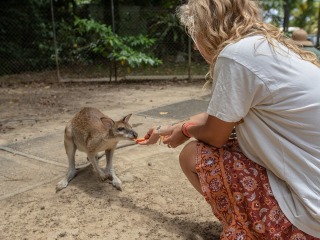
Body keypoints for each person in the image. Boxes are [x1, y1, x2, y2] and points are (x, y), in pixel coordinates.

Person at [138, 0, 320, 239]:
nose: (195, 46)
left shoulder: (235, 56)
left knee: (193, 155)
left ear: (207, 28)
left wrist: (185, 130)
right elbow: (222, 115)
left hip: (309, 214)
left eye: (194, 34)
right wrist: (172, 128)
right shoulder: (266, 47)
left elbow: (215, 134)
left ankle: (249, 230)